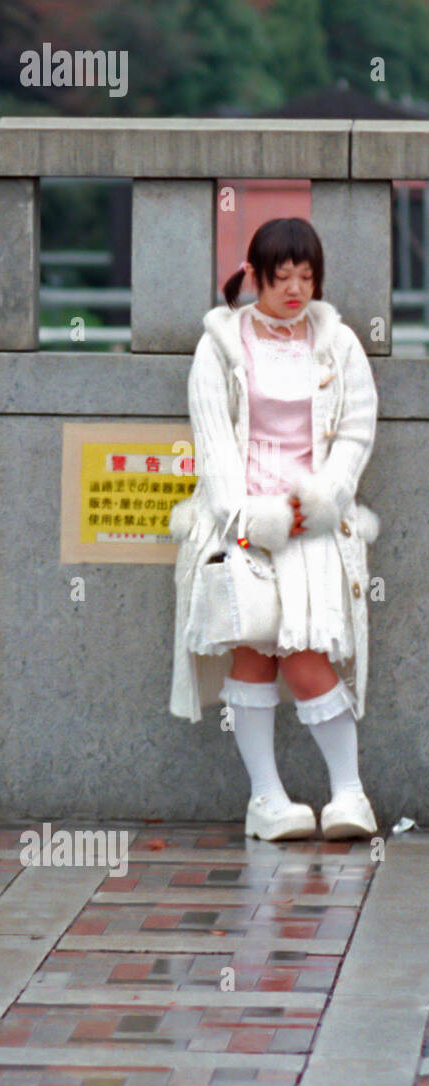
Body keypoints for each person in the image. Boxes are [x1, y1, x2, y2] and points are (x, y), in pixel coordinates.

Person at [169, 217, 380, 842]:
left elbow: (357, 431)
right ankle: (267, 799)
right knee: (254, 646)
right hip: (245, 524)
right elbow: (213, 444)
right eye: (282, 276)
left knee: (310, 653)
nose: (295, 289)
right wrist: (248, 517)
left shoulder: (338, 343)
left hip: (314, 525)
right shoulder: (221, 344)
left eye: (307, 276)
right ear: (255, 276)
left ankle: (350, 794)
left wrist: (322, 497)